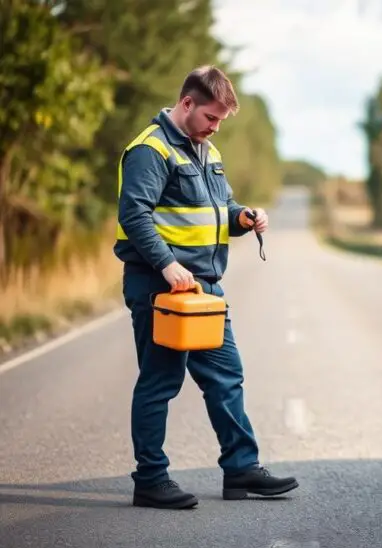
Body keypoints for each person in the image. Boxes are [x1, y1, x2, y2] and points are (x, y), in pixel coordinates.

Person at [114, 65, 298, 509]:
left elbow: (220, 207)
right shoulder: (150, 150)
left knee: (226, 377)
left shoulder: (205, 150)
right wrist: (168, 266)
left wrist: (243, 216)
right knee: (160, 380)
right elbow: (134, 216)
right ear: (187, 103)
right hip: (162, 289)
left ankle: (241, 471)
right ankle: (150, 480)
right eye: (211, 118)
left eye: (220, 121)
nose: (214, 127)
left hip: (204, 292)